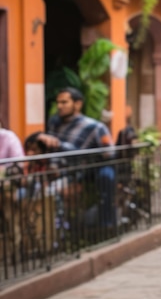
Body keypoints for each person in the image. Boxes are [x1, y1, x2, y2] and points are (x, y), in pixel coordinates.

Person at [38, 87, 116, 228]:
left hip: (79, 173)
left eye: (64, 102)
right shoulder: (54, 124)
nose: (59, 106)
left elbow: (109, 152)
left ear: (78, 104)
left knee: (51, 193)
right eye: (58, 103)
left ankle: (105, 224)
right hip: (53, 172)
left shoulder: (95, 127)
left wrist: (90, 158)